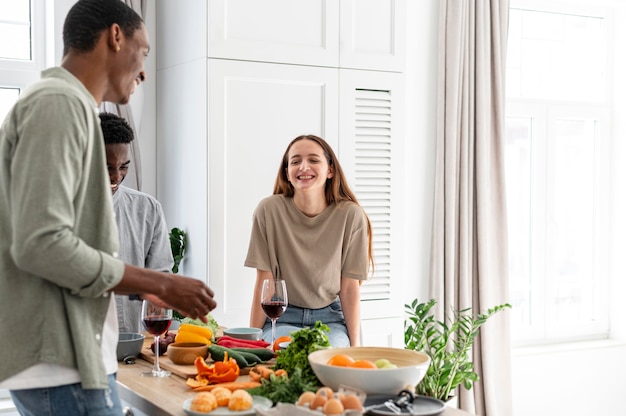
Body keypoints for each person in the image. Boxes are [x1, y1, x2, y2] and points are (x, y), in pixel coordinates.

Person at [0, 1, 216, 414]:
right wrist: (160, 283)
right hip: (63, 365)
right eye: (145, 51)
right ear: (116, 36)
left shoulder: (62, 105)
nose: (144, 71)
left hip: (68, 361)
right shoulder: (58, 104)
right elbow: (40, 243)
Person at [245, 134, 374, 347]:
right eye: (295, 161)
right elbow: (264, 281)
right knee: (289, 357)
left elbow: (349, 287)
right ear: (287, 172)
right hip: (282, 316)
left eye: (313, 160)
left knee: (332, 360)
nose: (304, 167)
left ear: (330, 170)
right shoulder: (268, 211)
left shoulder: (351, 215)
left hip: (331, 320)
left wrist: (356, 346)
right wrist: (252, 342)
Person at [100, 112, 174, 333]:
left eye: (123, 166)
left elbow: (160, 274)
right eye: (107, 167)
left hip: (134, 342)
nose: (116, 176)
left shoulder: (148, 209)